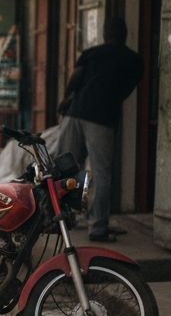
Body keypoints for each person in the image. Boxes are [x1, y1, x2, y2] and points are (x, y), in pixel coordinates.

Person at [58, 16, 143, 242]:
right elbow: (127, 89)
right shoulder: (134, 60)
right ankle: (97, 227)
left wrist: (66, 100)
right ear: (124, 34)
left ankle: (64, 219)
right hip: (102, 118)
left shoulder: (92, 53)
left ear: (105, 33)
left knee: (66, 168)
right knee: (102, 174)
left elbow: (75, 79)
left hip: (75, 113)